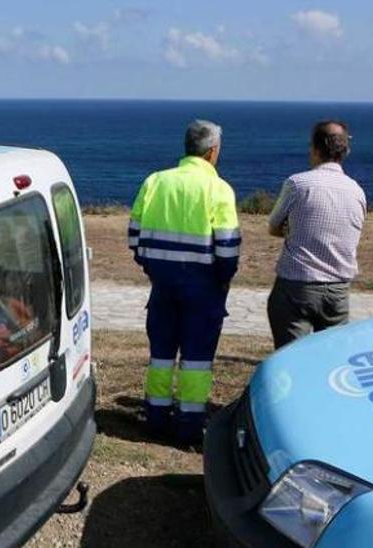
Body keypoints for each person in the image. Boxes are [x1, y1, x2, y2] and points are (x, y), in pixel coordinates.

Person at [127, 119, 240, 444]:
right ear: (212, 151)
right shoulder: (218, 189)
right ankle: (189, 426)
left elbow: (134, 234)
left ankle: (156, 417)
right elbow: (228, 247)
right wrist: (222, 279)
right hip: (203, 286)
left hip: (162, 284)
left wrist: (151, 266)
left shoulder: (155, 181)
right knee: (197, 359)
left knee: (161, 353)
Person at [265, 120, 367, 349]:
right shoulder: (357, 191)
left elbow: (273, 226)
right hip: (338, 288)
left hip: (297, 284)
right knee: (330, 359)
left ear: (315, 148)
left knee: (291, 357)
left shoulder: (298, 184)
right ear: (345, 150)